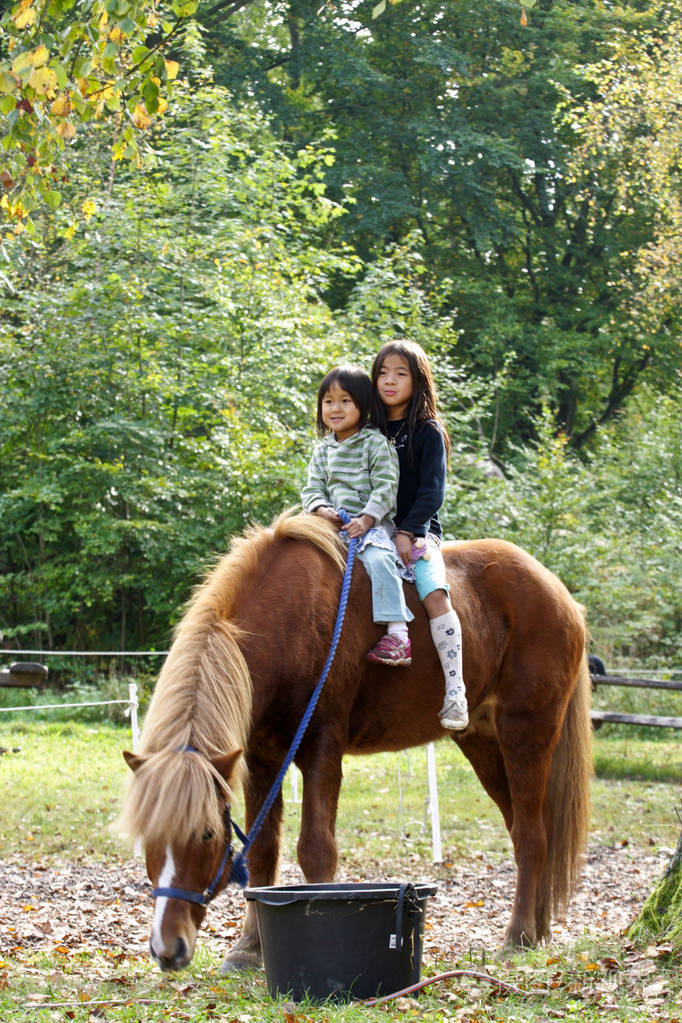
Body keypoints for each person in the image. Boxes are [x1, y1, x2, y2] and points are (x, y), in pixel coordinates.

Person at [371, 339, 469, 731]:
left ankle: (455, 690)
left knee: (432, 592)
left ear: (418, 381)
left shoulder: (428, 431)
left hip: (418, 531)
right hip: (373, 526)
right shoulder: (369, 428)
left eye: (400, 373)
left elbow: (432, 491)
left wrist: (409, 531)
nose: (389, 381)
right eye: (382, 372)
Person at [301, 365, 414, 666]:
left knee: (379, 559)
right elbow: (312, 488)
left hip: (370, 526)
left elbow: (386, 488)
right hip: (331, 526)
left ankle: (398, 632)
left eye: (345, 401)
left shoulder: (375, 443)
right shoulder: (322, 451)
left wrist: (366, 519)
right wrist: (320, 509)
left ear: (363, 405)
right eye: (328, 401)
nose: (335, 408)